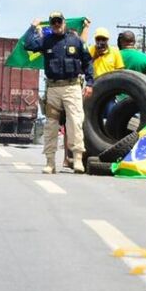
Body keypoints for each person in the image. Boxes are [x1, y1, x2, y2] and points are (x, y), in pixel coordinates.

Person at [24, 12, 94, 175]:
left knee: (75, 123)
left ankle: (77, 159)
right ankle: (50, 162)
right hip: (53, 89)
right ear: (50, 24)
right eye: (53, 22)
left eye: (59, 21)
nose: (56, 24)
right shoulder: (46, 40)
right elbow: (28, 45)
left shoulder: (75, 40)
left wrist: (90, 83)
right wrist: (33, 27)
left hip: (72, 87)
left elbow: (87, 61)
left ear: (64, 23)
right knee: (51, 125)